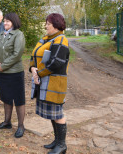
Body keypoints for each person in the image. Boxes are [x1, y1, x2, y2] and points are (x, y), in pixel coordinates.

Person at [30, 13, 69, 154]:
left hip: (55, 84)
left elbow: (56, 63)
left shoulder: (61, 39)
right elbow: (33, 55)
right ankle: (57, 141)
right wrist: (32, 68)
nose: (46, 26)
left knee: (57, 114)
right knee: (52, 113)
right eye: (46, 23)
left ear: (56, 24)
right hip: (44, 82)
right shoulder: (45, 39)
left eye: (48, 23)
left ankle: (62, 145)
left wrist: (38, 73)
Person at [0, 13, 26, 138]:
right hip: (3, 72)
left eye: (8, 21)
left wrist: (3, 65)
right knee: (6, 98)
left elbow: (17, 54)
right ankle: (7, 122)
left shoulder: (18, 34)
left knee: (18, 99)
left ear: (14, 22)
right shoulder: (2, 34)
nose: (5, 23)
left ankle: (21, 126)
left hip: (15, 73)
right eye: (5, 21)